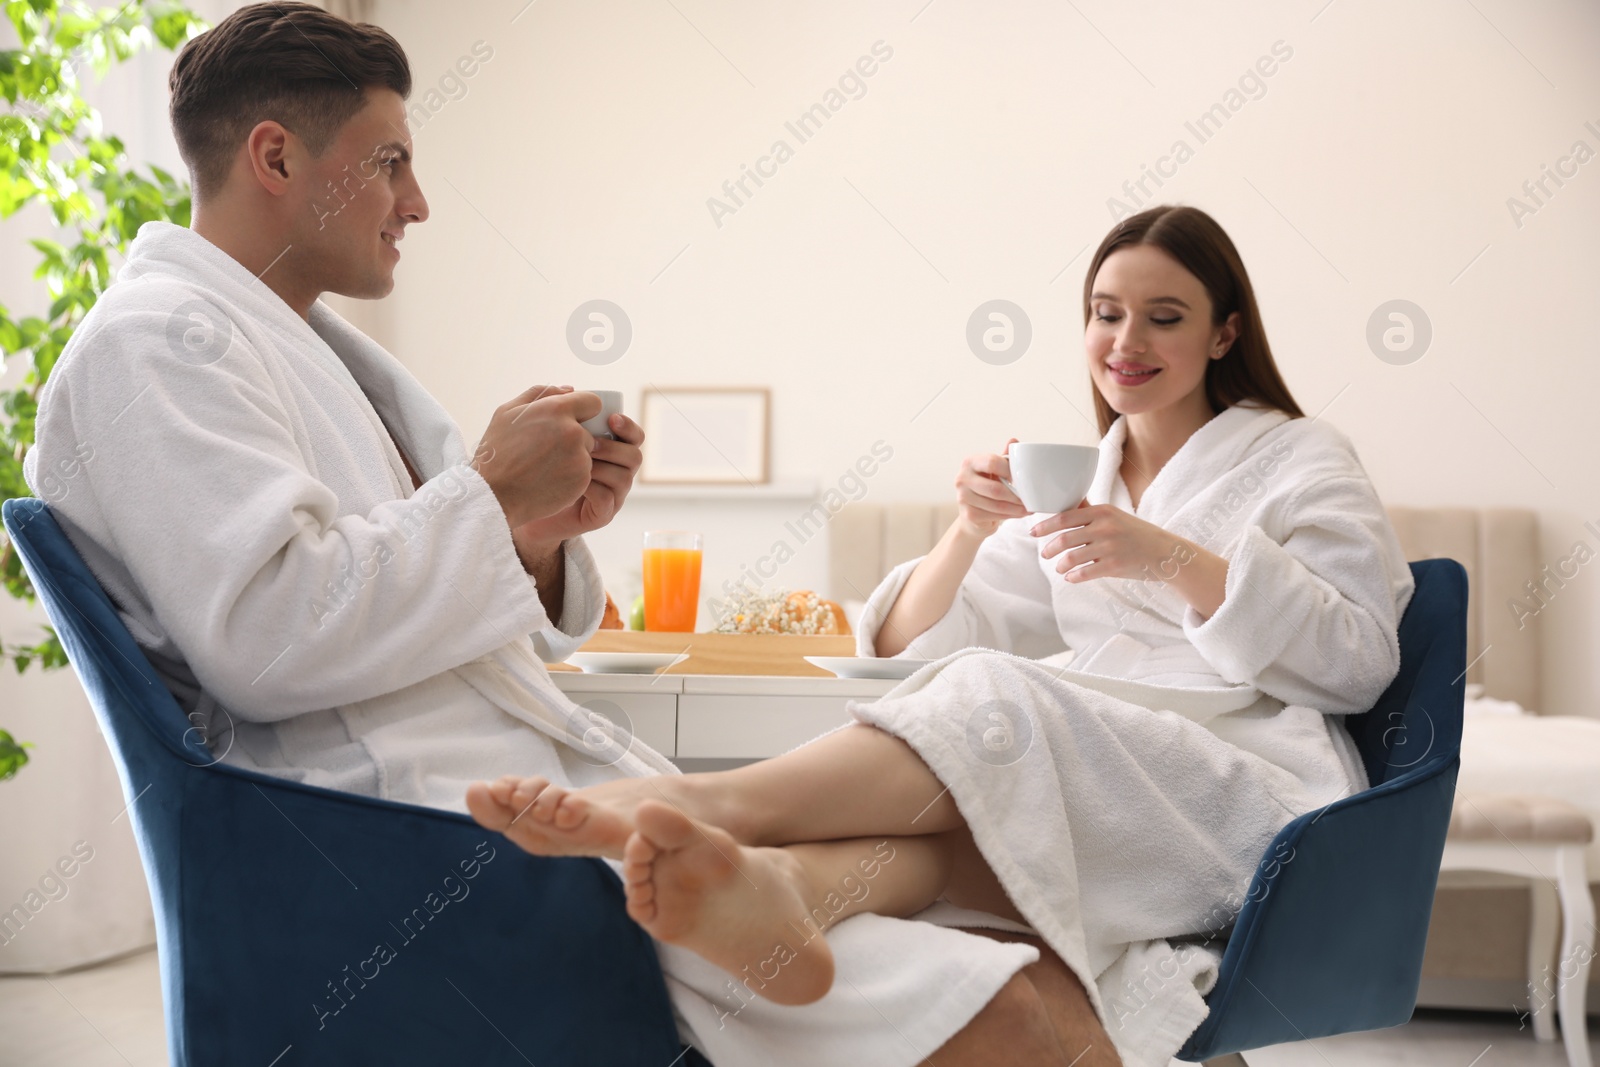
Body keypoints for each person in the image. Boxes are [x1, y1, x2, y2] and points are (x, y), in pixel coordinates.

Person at [23, 4, 1116, 1065]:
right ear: (274, 158)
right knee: (1016, 1003)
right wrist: (491, 496)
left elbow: (397, 581)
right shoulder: (160, 343)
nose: (419, 203)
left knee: (998, 886)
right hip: (410, 837)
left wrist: (539, 534)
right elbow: (269, 640)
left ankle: (774, 887)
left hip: (501, 782)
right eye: (392, 161)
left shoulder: (289, 344)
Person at [469, 202, 1417, 1066]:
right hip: (1111, 780)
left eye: (1164, 316)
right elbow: (911, 639)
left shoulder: (1300, 457)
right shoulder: (1086, 473)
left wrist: (1167, 556)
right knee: (960, 809)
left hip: (1245, 783)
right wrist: (970, 530)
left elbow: (1359, 660)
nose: (1125, 340)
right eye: (1105, 312)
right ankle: (786, 887)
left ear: (1226, 331)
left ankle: (706, 801)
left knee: (999, 696)